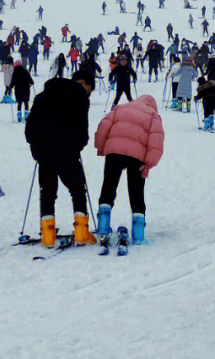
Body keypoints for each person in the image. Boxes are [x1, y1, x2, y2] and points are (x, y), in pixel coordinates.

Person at [24, 68, 96, 245]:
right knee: (77, 189)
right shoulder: (80, 98)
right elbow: (82, 130)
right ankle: (81, 232)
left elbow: (30, 127)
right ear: (85, 84)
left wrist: (36, 147)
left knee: (47, 191)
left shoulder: (42, 96)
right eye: (90, 89)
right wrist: (78, 145)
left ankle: (48, 235)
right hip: (68, 152)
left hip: (44, 151)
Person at [93, 92, 165, 244]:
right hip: (137, 157)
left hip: (114, 152)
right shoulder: (153, 115)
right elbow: (156, 142)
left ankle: (103, 226)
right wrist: (148, 163)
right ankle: (138, 233)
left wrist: (101, 147)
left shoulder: (121, 107)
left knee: (109, 185)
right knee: (136, 191)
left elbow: (103, 126)